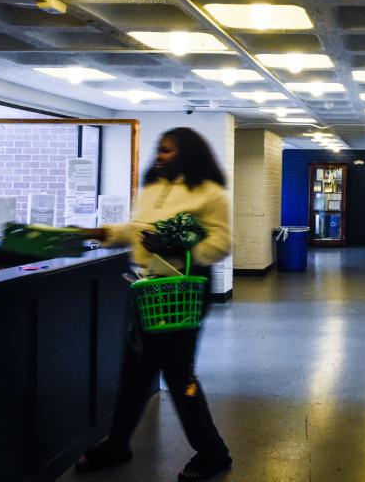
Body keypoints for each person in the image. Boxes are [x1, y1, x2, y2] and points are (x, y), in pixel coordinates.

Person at [75, 127, 232, 481]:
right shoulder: (152, 189)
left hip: (184, 290)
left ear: (188, 153)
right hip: (149, 288)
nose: (160, 156)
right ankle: (117, 444)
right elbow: (135, 230)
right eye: (159, 150)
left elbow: (221, 244)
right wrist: (103, 233)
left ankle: (213, 452)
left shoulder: (211, 194)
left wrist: (177, 248)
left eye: (168, 150)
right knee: (134, 373)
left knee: (178, 373)